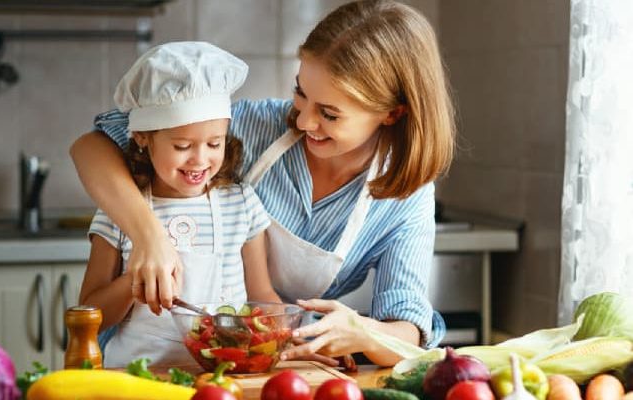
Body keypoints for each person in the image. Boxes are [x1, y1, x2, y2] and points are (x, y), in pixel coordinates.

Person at [72, 0, 455, 367]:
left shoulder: (406, 195)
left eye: (329, 114)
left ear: (391, 114)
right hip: (135, 360)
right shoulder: (252, 127)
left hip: (269, 359)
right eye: (301, 94)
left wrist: (364, 332)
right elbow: (92, 145)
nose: (303, 122)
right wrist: (149, 237)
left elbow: (408, 327)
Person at [78, 41, 281, 367]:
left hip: (219, 380)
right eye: (183, 145)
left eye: (214, 143)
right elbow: (91, 316)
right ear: (143, 138)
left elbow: (262, 297)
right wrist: (134, 283)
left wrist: (287, 336)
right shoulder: (120, 212)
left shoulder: (240, 204)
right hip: (135, 379)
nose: (200, 159)